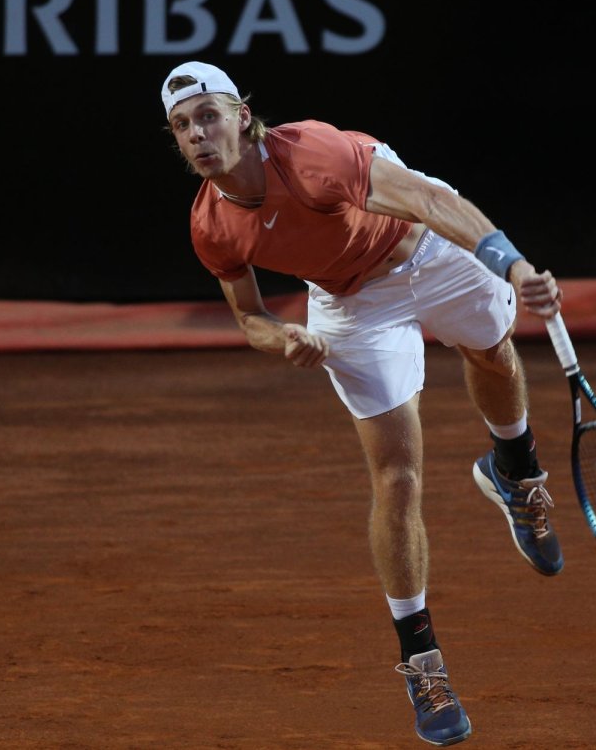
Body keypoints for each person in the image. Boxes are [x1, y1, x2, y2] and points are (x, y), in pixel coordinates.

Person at [159, 61, 564, 746]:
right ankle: (422, 660)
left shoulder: (313, 153)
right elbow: (249, 316)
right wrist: (280, 337)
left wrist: (515, 265)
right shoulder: (211, 226)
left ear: (243, 118)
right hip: (350, 303)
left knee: (491, 351)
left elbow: (431, 202)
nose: (199, 134)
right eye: (182, 126)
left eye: (208, 116)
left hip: (426, 250)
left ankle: (515, 468)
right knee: (397, 474)